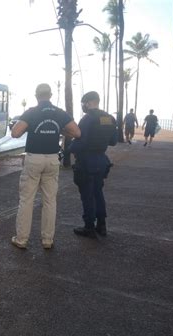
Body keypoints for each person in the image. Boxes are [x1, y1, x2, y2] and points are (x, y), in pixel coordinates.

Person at [10, 83, 81, 250]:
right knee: (50, 201)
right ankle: (47, 240)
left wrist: (28, 127)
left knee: (27, 200)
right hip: (52, 159)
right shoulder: (59, 113)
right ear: (50, 95)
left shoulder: (31, 112)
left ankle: (21, 239)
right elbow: (77, 133)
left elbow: (15, 133)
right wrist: (61, 131)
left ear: (36, 95)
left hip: (34, 159)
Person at [69, 91, 117, 238]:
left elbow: (81, 142)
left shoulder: (87, 119)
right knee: (98, 192)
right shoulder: (110, 118)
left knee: (87, 195)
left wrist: (70, 147)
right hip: (102, 160)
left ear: (89, 103)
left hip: (86, 161)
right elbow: (113, 141)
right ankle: (101, 225)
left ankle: (89, 226)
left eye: (83, 103)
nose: (83, 106)